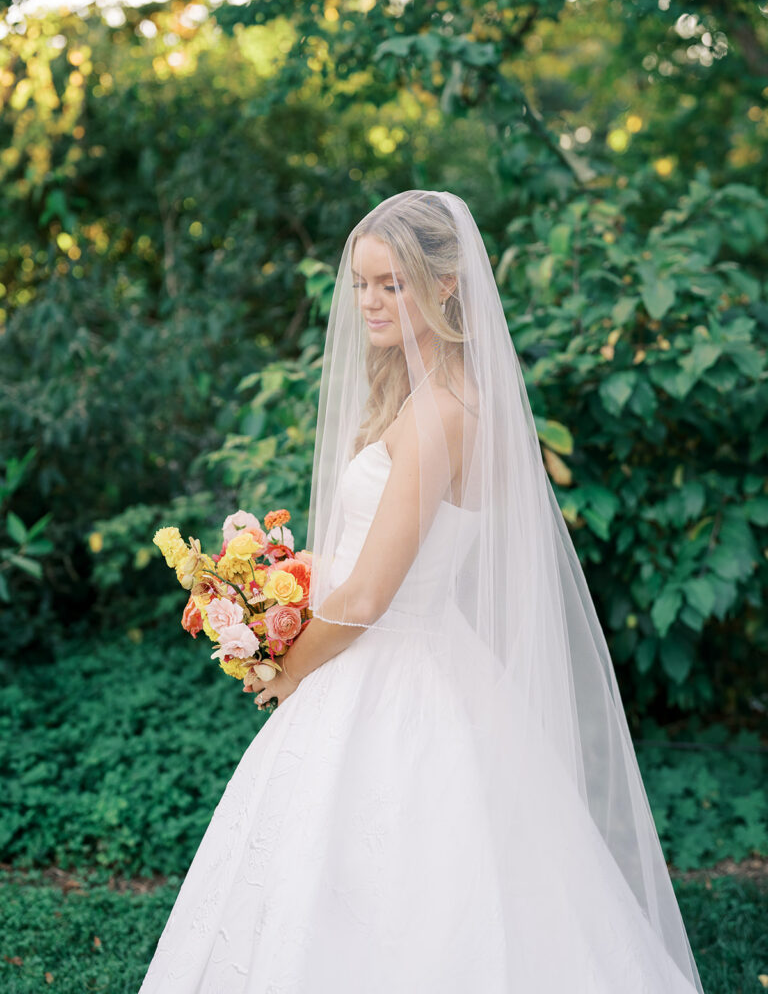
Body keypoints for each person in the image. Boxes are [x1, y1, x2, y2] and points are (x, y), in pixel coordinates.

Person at [138, 190, 705, 993]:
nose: (368, 301)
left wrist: (290, 667)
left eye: (391, 285)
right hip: (406, 661)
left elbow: (370, 596)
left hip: (395, 670)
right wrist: (278, 591)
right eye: (362, 284)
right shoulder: (428, 400)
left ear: (444, 286)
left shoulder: (443, 415)